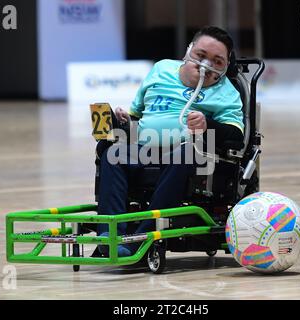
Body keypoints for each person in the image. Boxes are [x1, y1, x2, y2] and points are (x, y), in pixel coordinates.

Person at [96, 26, 244, 257]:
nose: (207, 65)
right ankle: (110, 233)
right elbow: (137, 113)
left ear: (225, 67)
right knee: (112, 153)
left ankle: (141, 237)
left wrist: (208, 125)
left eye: (217, 61)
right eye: (201, 56)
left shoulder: (227, 92)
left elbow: (236, 136)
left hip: (187, 154)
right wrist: (125, 119)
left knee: (185, 154)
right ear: (188, 51)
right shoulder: (161, 69)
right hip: (145, 148)